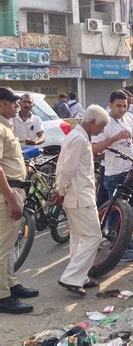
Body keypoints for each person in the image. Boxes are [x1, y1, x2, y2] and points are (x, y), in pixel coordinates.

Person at [51, 104, 110, 296]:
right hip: (79, 195)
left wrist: (60, 189)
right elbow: (67, 168)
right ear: (92, 122)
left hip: (76, 194)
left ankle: (80, 276)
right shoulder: (79, 139)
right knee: (93, 236)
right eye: (101, 126)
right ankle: (72, 277)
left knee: (79, 237)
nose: (101, 130)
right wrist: (60, 190)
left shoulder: (78, 137)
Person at [0, 88, 38, 314]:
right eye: (13, 102)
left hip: (15, 190)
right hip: (7, 193)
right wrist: (11, 199)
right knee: (3, 247)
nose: (17, 105)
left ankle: (11, 284)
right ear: (1, 104)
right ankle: (2, 295)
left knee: (9, 244)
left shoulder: (7, 126)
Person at [91, 90, 133, 262]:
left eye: (125, 106)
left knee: (129, 210)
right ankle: (115, 247)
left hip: (129, 170)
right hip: (114, 173)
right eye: (118, 106)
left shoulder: (129, 118)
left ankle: (124, 241)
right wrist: (115, 138)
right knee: (116, 212)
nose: (122, 109)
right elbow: (95, 148)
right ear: (110, 105)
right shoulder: (104, 123)